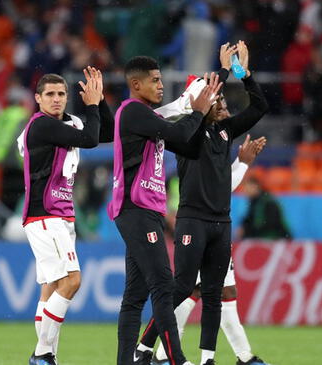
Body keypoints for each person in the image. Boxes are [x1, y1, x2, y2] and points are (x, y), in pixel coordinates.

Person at [137, 41, 270, 365]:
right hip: (192, 221)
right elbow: (188, 114)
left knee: (213, 295)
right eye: (216, 97)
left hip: (220, 223)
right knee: (182, 287)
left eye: (221, 97)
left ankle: (207, 359)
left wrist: (243, 72)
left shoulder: (224, 132)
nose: (221, 101)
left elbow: (259, 106)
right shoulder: (185, 134)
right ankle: (143, 348)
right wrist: (221, 72)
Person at [108, 55, 221, 365]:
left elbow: (190, 146)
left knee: (135, 296)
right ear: (136, 84)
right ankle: (178, 360)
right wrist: (195, 110)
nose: (161, 85)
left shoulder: (146, 119)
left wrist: (199, 115)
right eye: (155, 80)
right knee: (163, 284)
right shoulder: (132, 111)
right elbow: (178, 133)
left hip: (145, 211)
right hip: (135, 209)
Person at [20, 67, 112, 365]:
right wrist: (93, 107)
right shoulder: (42, 126)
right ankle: (42, 353)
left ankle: (49, 357)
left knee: (50, 286)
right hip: (45, 214)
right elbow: (89, 140)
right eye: (50, 94)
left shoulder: (68, 123)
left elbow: (105, 133)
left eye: (61, 94)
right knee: (72, 281)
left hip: (61, 216)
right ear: (38, 99)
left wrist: (100, 100)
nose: (56, 99)